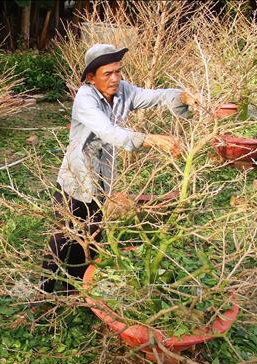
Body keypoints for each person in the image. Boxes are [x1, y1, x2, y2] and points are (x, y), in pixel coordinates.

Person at [40, 44, 198, 294]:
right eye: (107, 74)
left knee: (91, 236)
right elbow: (109, 132)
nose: (115, 79)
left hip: (104, 178)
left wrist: (182, 96)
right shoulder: (85, 98)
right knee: (63, 236)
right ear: (91, 77)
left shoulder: (124, 91)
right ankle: (46, 287)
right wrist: (151, 139)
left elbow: (154, 96)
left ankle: (75, 287)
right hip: (77, 177)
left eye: (118, 72)